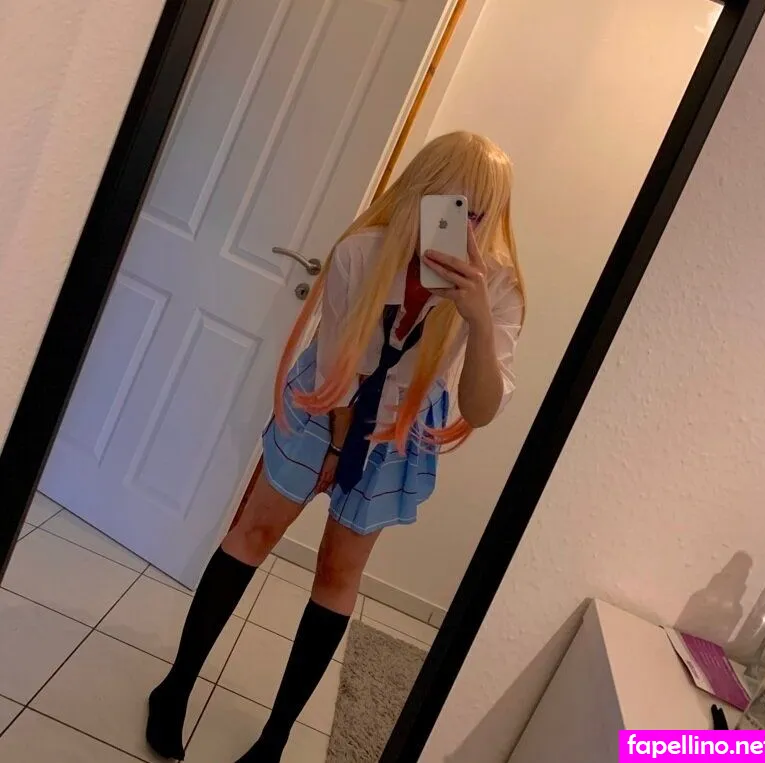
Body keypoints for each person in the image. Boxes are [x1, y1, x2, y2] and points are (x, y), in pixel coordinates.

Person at [145, 131, 526, 762]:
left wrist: (479, 319)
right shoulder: (362, 251)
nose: (465, 225)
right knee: (255, 532)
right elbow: (338, 364)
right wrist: (335, 451)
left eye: (481, 212)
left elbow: (482, 409)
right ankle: (175, 688)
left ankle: (274, 739)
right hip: (328, 398)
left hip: (400, 424)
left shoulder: (499, 285)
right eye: (452, 204)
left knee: (338, 572)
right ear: (421, 193)